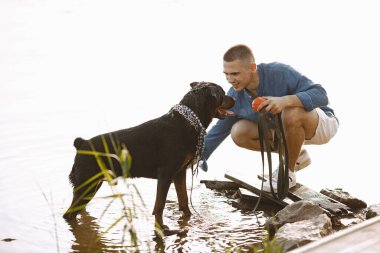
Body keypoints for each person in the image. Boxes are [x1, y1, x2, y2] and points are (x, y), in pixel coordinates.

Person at [200, 44, 339, 192]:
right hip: (287, 134)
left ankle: (287, 174)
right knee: (238, 131)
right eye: (226, 74)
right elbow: (218, 131)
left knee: (290, 111)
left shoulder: (279, 72)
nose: (230, 79)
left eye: (235, 74)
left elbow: (321, 95)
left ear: (252, 67)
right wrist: (194, 157)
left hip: (321, 125)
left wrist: (284, 101)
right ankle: (296, 156)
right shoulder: (235, 96)